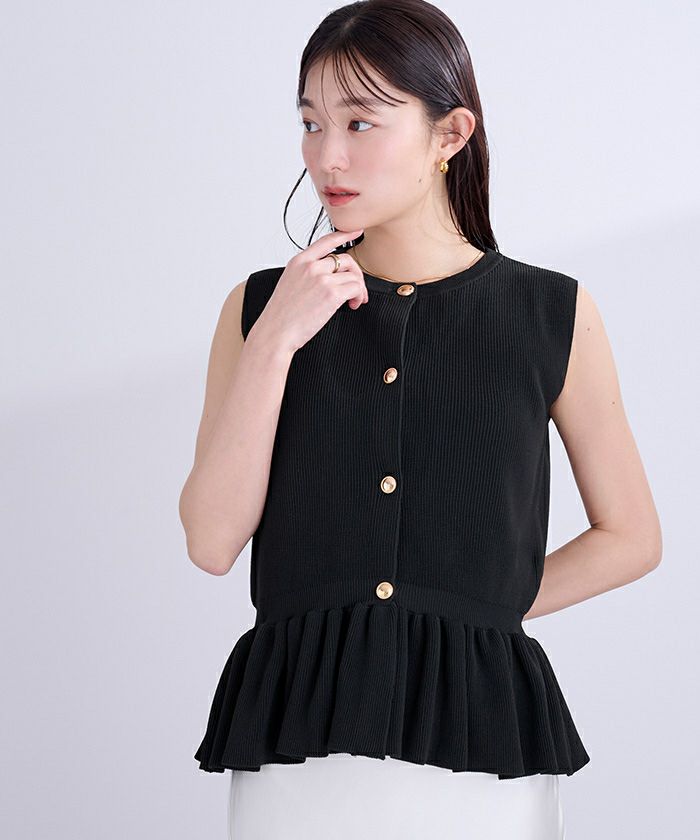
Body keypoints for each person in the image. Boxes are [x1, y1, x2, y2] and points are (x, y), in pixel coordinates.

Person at [179, 2, 662, 838]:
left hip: (480, 736)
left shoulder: (550, 313)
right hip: (300, 740)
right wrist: (277, 340)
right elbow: (211, 541)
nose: (327, 155)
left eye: (360, 122)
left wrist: (471, 608)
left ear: (450, 134)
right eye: (310, 123)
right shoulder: (259, 308)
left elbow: (632, 536)